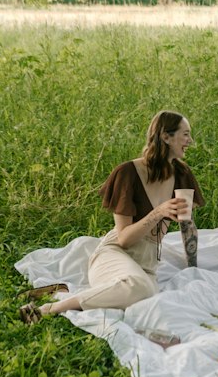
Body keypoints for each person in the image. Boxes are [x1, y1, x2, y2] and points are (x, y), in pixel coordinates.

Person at [19, 110, 203, 324]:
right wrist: (159, 212)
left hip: (147, 263)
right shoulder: (128, 173)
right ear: (166, 137)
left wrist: (193, 268)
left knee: (146, 295)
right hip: (114, 253)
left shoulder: (182, 174)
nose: (190, 141)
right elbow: (124, 238)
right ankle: (50, 308)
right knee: (139, 288)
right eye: (186, 134)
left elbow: (187, 226)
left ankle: (62, 292)